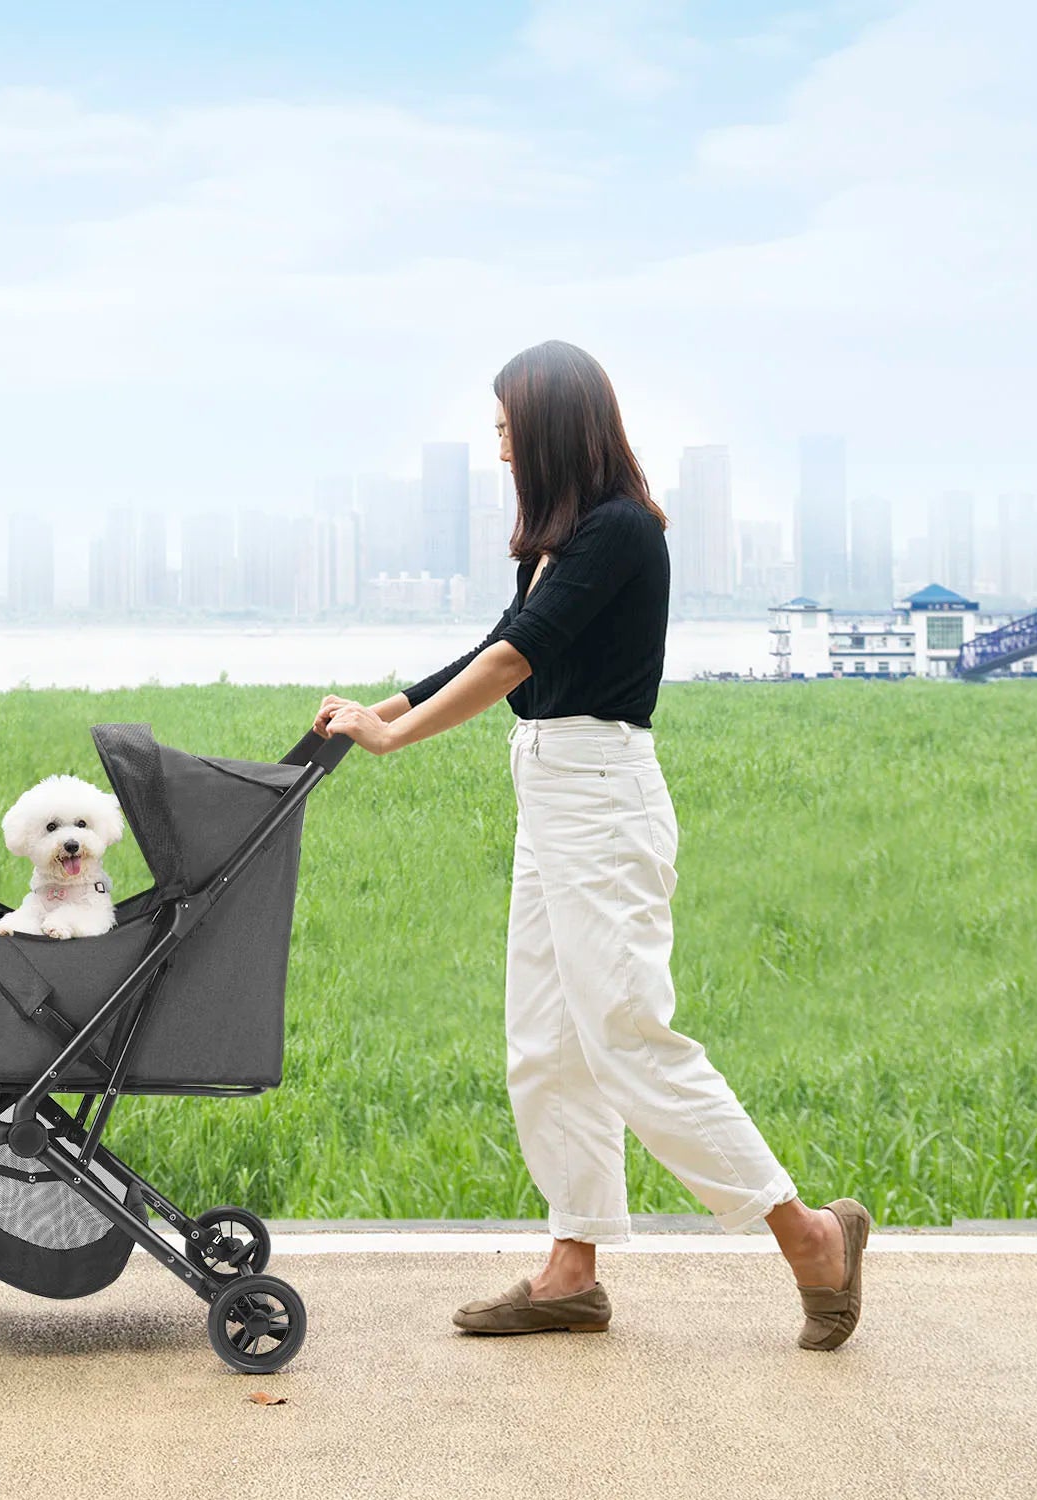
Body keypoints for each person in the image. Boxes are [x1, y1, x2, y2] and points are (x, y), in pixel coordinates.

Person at [314, 340, 870, 1351]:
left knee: (627, 1036)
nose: (497, 454)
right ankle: (572, 1272)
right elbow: (497, 639)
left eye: (505, 433)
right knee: (544, 1045)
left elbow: (526, 653)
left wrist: (397, 735)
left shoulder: (623, 534)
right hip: (551, 795)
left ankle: (810, 1238)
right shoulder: (559, 540)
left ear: (551, 430)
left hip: (603, 801)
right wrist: (383, 702)